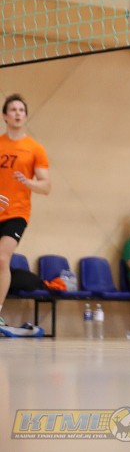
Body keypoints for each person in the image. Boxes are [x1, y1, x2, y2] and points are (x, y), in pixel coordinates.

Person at [0, 94, 50, 327]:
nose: (18, 113)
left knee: (2, 258)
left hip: (17, 213)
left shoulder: (34, 148)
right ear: (5, 116)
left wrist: (29, 183)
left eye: (21, 110)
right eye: (13, 110)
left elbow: (46, 186)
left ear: (26, 116)